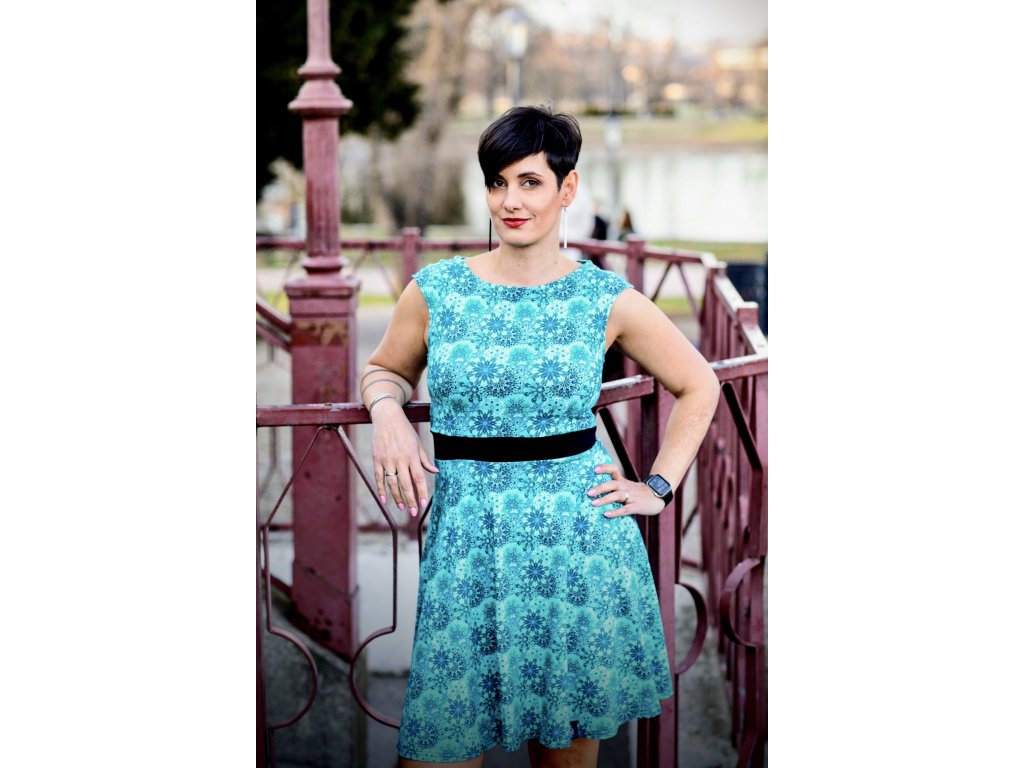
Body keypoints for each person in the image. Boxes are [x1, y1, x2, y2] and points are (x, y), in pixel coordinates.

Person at [359, 106, 720, 768]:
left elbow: (700, 384)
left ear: (567, 188)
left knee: (563, 758)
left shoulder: (605, 299)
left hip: (577, 548)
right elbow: (386, 370)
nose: (511, 201)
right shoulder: (436, 291)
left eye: (530, 182)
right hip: (469, 546)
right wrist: (388, 416)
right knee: (438, 749)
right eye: (498, 183)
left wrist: (658, 487)